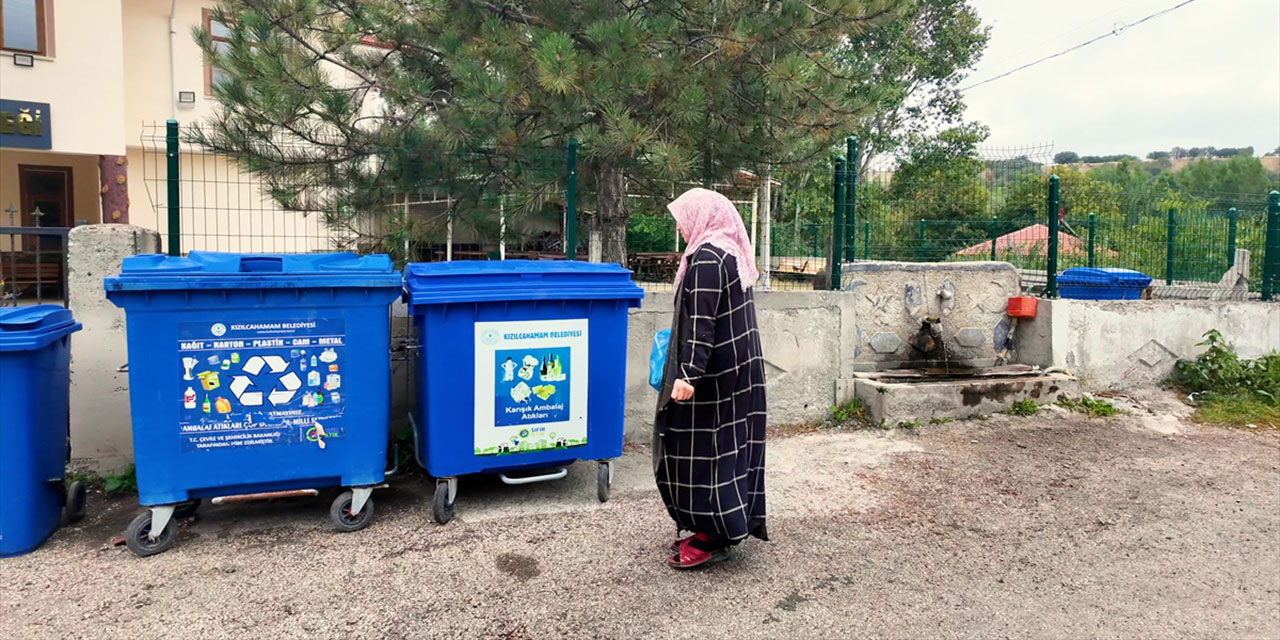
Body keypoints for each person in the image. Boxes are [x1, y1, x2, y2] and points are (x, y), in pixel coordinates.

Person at [653, 187, 768, 570]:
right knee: (730, 449)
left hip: (714, 377)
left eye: (684, 221)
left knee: (704, 451)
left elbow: (702, 324)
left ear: (701, 217)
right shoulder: (730, 251)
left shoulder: (706, 258)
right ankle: (722, 524)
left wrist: (687, 375)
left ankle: (713, 534)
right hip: (739, 370)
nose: (683, 230)